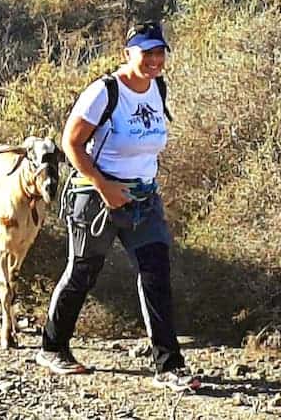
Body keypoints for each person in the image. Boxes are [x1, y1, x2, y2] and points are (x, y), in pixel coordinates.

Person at [37, 22, 202, 393]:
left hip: (143, 199)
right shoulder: (104, 92)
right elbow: (72, 143)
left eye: (160, 52)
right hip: (96, 199)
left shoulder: (157, 88)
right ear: (127, 53)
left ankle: (169, 365)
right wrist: (105, 186)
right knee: (83, 272)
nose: (155, 60)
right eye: (147, 52)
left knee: (156, 272)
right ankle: (52, 346)